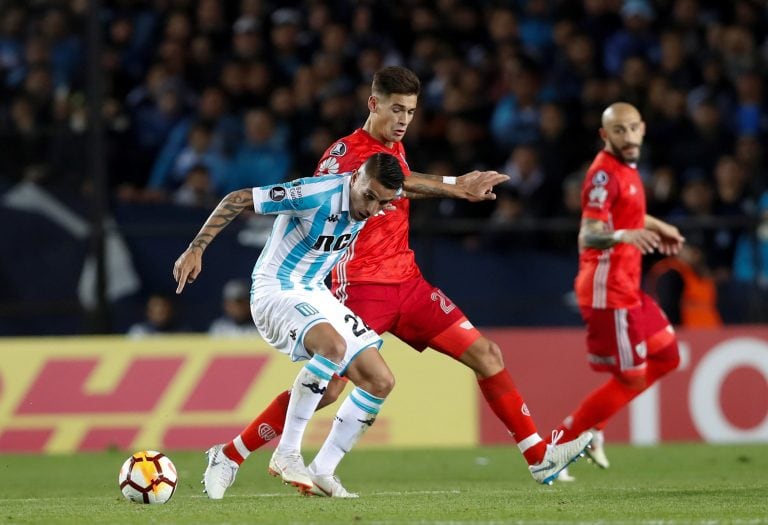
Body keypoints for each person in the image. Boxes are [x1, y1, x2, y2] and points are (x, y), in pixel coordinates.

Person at [202, 66, 592, 499]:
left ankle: (538, 458)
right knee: (330, 387)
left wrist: (448, 186)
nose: (404, 119)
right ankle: (233, 455)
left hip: (408, 282)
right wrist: (454, 185)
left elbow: (401, 186)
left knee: (487, 354)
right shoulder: (350, 156)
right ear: (373, 104)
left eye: (410, 111)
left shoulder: (394, 148)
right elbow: (396, 183)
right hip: (360, 284)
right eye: (395, 109)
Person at [174, 153, 406, 498]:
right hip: (274, 289)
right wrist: (195, 249)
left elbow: (416, 185)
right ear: (355, 176)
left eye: (382, 202)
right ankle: (287, 453)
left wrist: (456, 185)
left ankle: (243, 458)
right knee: (333, 347)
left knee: (377, 381)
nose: (372, 209)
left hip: (315, 291)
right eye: (369, 196)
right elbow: (236, 198)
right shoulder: (314, 194)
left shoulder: (377, 197)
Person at [552, 102, 685, 479]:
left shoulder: (627, 169)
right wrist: (627, 234)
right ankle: (561, 443)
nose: (627, 137)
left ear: (642, 128)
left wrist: (658, 226)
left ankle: (593, 426)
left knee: (668, 356)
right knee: (631, 377)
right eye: (619, 131)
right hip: (608, 289)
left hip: (629, 285)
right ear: (604, 135)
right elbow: (589, 232)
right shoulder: (602, 175)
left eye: (632, 129)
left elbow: (627, 213)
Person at [646, 235, 722, 328]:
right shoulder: (671, 272)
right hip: (686, 328)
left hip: (710, 325)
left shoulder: (702, 273)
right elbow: (667, 304)